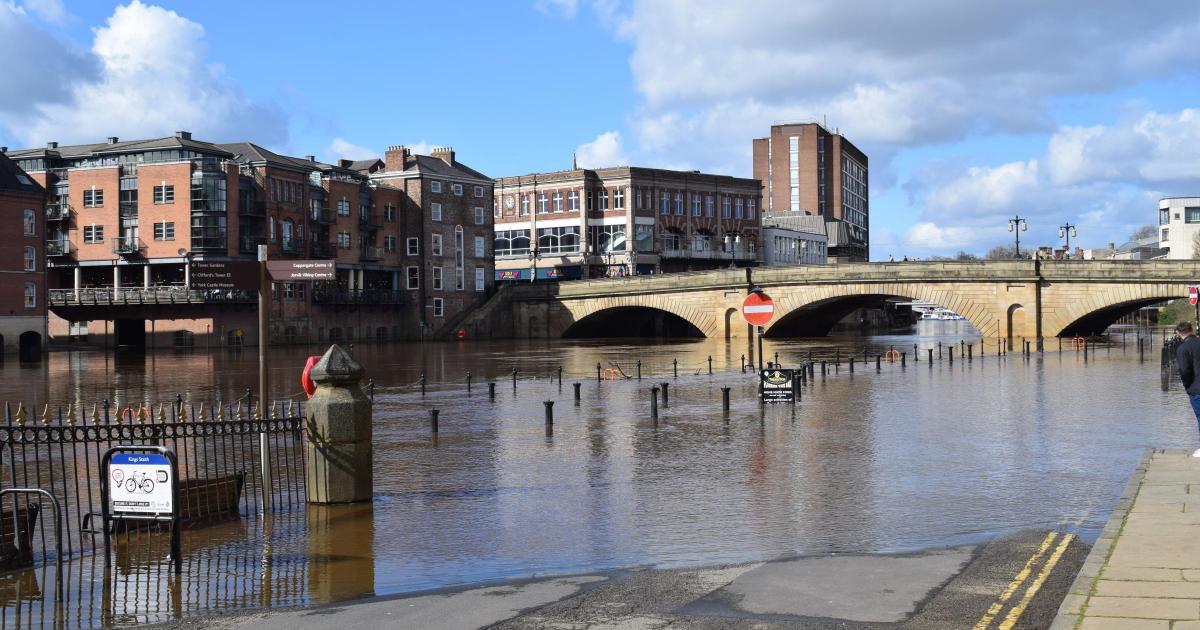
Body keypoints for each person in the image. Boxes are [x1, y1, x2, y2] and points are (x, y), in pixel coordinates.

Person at [1176, 321, 1200, 456]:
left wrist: (1188, 386)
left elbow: (1184, 371)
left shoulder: (1183, 349)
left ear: (1178, 333)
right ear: (1191, 330)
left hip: (1196, 389)